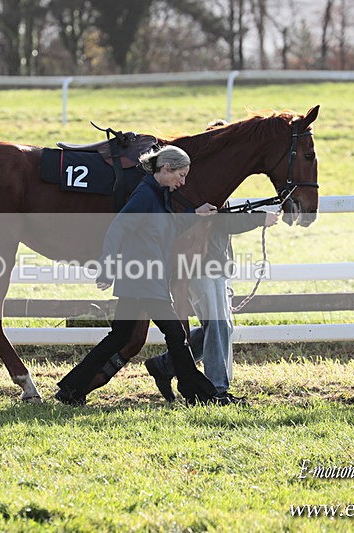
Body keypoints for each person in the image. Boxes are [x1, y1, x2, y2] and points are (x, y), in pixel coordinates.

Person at [55, 145, 220, 406]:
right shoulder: (145, 195)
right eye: (181, 175)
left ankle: (71, 389)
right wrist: (107, 266)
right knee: (175, 335)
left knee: (119, 337)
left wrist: (195, 215)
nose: (183, 182)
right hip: (144, 280)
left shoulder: (158, 194)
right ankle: (199, 394)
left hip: (142, 280)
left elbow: (165, 226)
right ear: (167, 168)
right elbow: (118, 228)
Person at [144, 205, 278, 405]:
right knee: (217, 326)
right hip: (204, 266)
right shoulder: (210, 189)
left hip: (211, 264)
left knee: (220, 327)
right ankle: (216, 390)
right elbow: (221, 221)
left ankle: (166, 365)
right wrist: (258, 219)